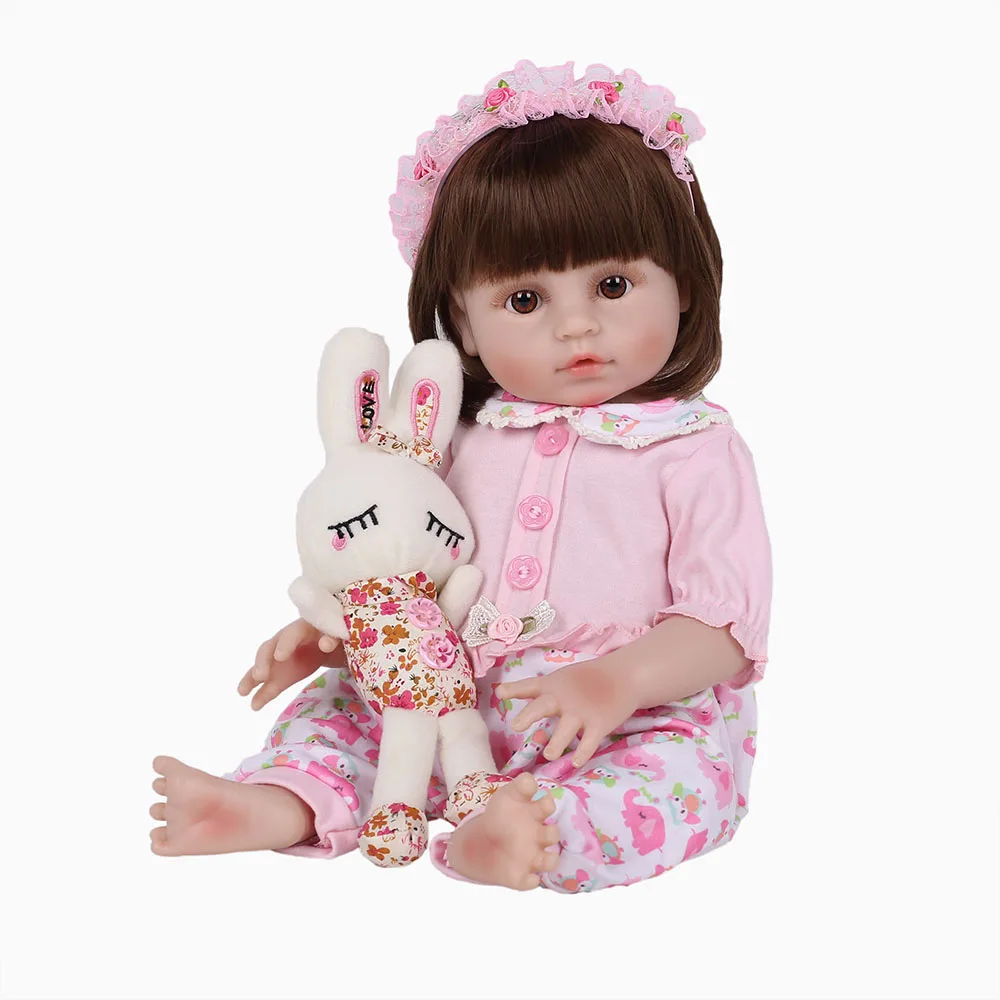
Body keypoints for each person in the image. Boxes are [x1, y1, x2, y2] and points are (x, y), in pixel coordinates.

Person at [150, 59, 772, 893]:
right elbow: (404, 561)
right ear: (466, 327)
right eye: (525, 301)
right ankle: (278, 802)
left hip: (621, 717)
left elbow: (724, 626)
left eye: (612, 284)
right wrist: (337, 630)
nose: (576, 324)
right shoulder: (454, 439)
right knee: (340, 713)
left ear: (685, 287)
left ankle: (532, 834)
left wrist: (616, 681)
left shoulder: (694, 450)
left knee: (675, 781)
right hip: (443, 698)